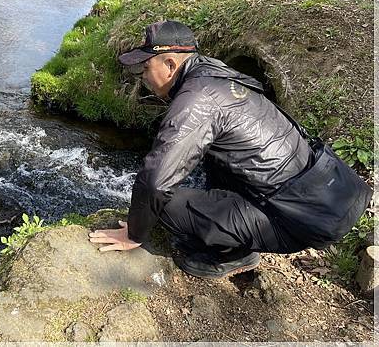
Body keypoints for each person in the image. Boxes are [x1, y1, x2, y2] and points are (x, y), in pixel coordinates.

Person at [89, 20, 372, 279]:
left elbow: (155, 181)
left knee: (163, 205)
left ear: (171, 65)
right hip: (326, 195)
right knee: (207, 162)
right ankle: (235, 232)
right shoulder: (217, 74)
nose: (142, 78)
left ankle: (233, 255)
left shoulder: (195, 102)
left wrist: (134, 234)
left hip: (306, 218)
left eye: (144, 68)